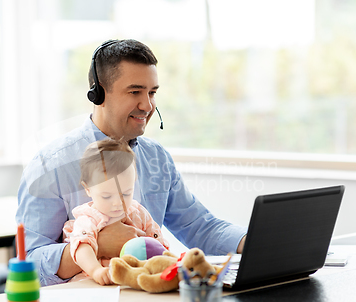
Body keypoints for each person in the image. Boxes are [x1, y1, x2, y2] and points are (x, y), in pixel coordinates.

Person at [16, 39, 247, 286]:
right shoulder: (49, 165)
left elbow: (200, 227)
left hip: (150, 298)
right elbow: (30, 262)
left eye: (152, 92)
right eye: (135, 92)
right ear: (99, 94)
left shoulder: (156, 158)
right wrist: (99, 245)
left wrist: (257, 242)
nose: (147, 105)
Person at [62, 138, 169, 285]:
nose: (117, 203)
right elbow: (82, 247)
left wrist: (169, 262)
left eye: (126, 194)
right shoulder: (89, 219)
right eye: (106, 196)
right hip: (98, 282)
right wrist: (96, 271)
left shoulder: (138, 212)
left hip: (136, 279)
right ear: (87, 189)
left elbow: (157, 242)